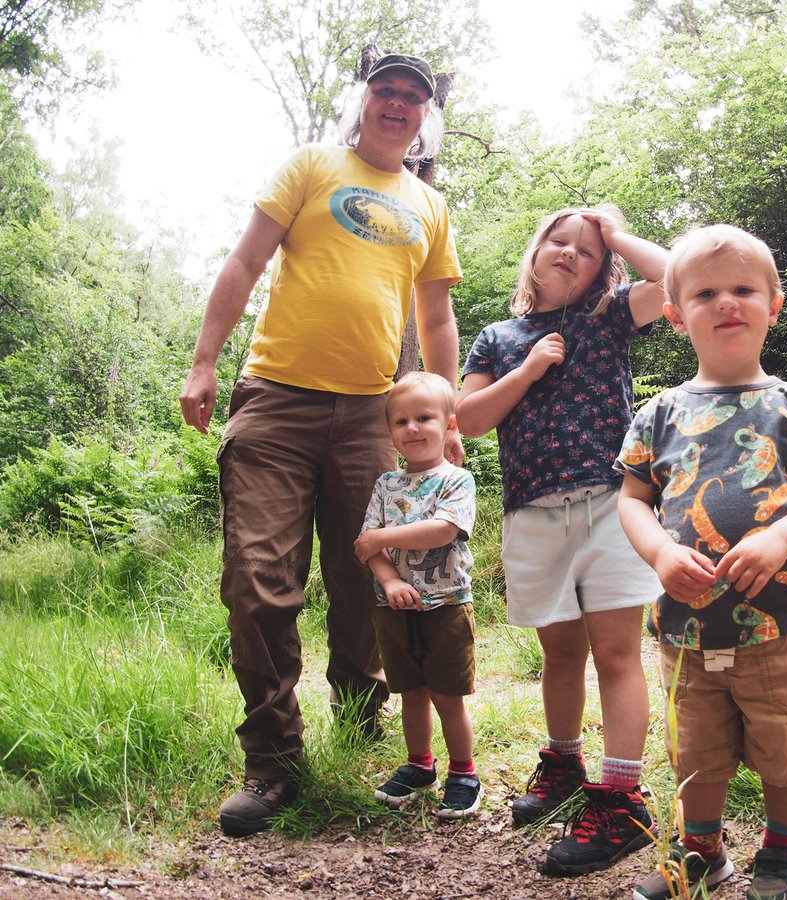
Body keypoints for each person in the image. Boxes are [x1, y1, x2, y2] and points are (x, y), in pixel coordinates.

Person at [177, 51, 463, 838]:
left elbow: (435, 319)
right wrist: (204, 362)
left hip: (376, 412)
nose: (398, 104)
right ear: (365, 104)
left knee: (365, 574)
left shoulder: (428, 206)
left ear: (423, 117)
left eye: (413, 97)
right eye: (386, 92)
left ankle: (364, 720)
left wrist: (448, 413)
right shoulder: (311, 165)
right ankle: (273, 761)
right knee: (258, 579)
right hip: (277, 402)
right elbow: (245, 260)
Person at [615, 225, 787, 900]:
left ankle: (783, 854)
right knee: (698, 752)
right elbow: (632, 500)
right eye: (706, 293)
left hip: (783, 623)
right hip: (687, 628)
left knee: (786, 744)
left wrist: (780, 539)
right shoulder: (657, 414)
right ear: (674, 311)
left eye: (744, 289)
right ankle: (702, 854)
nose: (727, 303)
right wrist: (659, 551)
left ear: (774, 305)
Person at [456, 206, 667, 875]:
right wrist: (529, 370)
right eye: (560, 241)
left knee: (615, 651)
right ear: (536, 248)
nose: (572, 254)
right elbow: (470, 418)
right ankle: (563, 764)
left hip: (612, 502)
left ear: (605, 269)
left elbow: (681, 277)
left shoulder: (608, 318)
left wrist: (619, 232)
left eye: (588, 250)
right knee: (559, 652)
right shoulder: (496, 337)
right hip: (533, 510)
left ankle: (623, 794)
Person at [353, 371, 481, 819]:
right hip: (392, 608)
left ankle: (464, 773)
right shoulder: (386, 484)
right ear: (390, 432)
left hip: (445, 605)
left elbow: (444, 530)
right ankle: (419, 765)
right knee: (410, 692)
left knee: (448, 695)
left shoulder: (456, 480)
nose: (412, 429)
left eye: (424, 418)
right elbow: (368, 545)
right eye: (400, 421)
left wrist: (382, 537)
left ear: (449, 425)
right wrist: (389, 581)